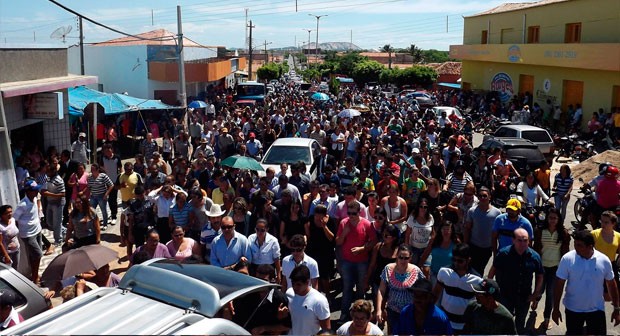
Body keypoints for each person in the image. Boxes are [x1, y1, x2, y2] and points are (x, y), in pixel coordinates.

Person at [552, 230, 620, 335]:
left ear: (590, 246)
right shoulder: (567, 259)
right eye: (575, 244)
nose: (575, 248)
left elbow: (611, 285)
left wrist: (616, 308)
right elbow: (559, 285)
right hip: (573, 310)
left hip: (596, 310)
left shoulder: (604, 261)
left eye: (579, 245)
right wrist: (555, 309)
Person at [488, 228, 544, 334]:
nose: (523, 243)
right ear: (513, 240)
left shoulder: (534, 257)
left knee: (519, 324)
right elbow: (492, 271)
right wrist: (490, 292)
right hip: (505, 296)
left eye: (525, 240)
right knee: (503, 323)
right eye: (519, 240)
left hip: (524, 298)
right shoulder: (504, 254)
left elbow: (540, 275)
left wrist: (535, 294)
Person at [336, 200, 377, 322]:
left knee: (360, 289)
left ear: (359, 212)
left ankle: (360, 316)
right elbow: (338, 242)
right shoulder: (344, 223)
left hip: (362, 262)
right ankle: (344, 314)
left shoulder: (366, 224)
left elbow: (374, 240)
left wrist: (362, 248)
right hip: (347, 261)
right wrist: (344, 233)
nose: (351, 216)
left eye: (354, 213)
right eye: (349, 213)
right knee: (347, 288)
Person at [532, 207, 570, 331]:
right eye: (550, 218)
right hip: (541, 267)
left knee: (551, 294)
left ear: (559, 219)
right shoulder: (539, 231)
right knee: (540, 289)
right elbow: (535, 248)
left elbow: (566, 251)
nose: (552, 220)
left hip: (555, 268)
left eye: (555, 218)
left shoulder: (563, 233)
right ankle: (536, 299)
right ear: (547, 218)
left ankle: (547, 317)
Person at [432, 243, 482, 332]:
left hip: (464, 326)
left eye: (460, 261)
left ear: (468, 260)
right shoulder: (444, 272)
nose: (456, 263)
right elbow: (435, 293)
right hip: (445, 322)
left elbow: (479, 304)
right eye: (454, 260)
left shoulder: (477, 280)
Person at [375, 244, 425, 334]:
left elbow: (424, 289)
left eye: (406, 258)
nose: (403, 260)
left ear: (410, 258)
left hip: (410, 311)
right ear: (396, 256)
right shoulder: (388, 268)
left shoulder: (416, 270)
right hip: (392, 309)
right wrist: (379, 309)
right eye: (400, 257)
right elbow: (381, 290)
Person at [464, 187, 501, 275]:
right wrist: (465, 244)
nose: (482, 198)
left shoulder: (497, 213)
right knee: (472, 269)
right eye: (480, 196)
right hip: (473, 246)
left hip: (487, 248)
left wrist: (495, 249)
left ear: (489, 197)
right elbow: (467, 229)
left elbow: (498, 233)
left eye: (485, 196)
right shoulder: (472, 211)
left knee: (480, 268)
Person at [285, 265, 331, 335]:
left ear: (307, 282)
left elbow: (326, 330)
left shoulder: (319, 301)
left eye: (298, 284)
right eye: (292, 283)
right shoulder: (289, 293)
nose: (294, 287)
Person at [13, 179, 44, 284]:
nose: (37, 192)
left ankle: (34, 273)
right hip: (28, 235)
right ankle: (35, 277)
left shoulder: (34, 199)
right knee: (38, 255)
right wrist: (22, 229)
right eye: (34, 190)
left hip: (37, 231)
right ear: (28, 191)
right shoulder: (22, 205)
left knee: (33, 256)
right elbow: (15, 219)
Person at [304, 204, 336, 297]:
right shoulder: (310, 219)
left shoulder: (330, 221)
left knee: (325, 277)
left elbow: (331, 238)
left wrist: (324, 226)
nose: (317, 217)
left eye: (319, 215)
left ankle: (328, 296)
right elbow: (308, 234)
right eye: (316, 215)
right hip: (313, 251)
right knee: (313, 276)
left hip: (325, 253)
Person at [248, 218, 281, 283]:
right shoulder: (250, 238)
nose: (259, 232)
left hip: (268, 270)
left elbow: (276, 259)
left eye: (262, 230)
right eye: (257, 229)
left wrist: (278, 274)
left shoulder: (273, 241)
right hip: (255, 269)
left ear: (267, 229)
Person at [41, 159, 66, 246]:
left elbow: (63, 194)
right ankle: (64, 231)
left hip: (58, 204)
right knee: (49, 222)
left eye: (48, 171)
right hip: (50, 202)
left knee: (57, 223)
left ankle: (58, 240)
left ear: (53, 171)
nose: (47, 173)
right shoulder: (48, 178)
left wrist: (49, 194)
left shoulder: (59, 180)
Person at [86, 164, 114, 231]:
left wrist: (106, 194)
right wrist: (89, 194)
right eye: (91, 170)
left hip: (101, 196)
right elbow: (89, 187)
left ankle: (105, 224)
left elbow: (111, 185)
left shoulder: (103, 176)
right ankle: (92, 225)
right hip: (93, 196)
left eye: (93, 170)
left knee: (103, 210)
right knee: (91, 211)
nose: (92, 171)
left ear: (97, 170)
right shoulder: (90, 177)